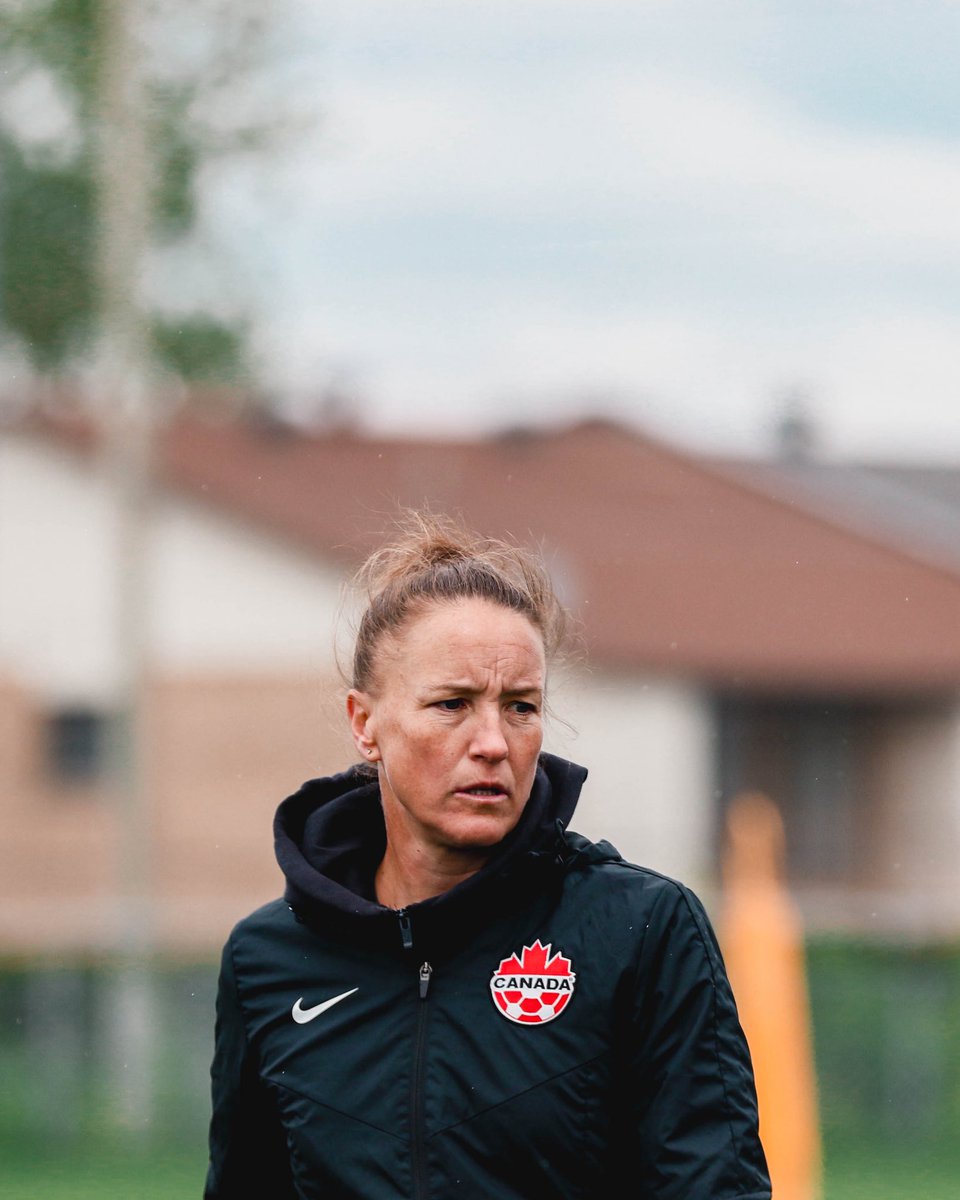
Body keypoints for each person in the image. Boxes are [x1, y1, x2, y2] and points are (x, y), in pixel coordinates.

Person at [205, 511, 772, 1200]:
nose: (494, 743)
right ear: (365, 723)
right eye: (452, 705)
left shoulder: (641, 929)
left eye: (520, 707)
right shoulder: (268, 959)